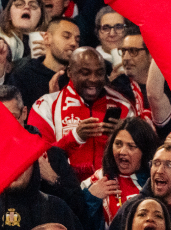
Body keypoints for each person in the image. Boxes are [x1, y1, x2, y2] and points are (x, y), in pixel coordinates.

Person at [30, 47, 150, 180]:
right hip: (63, 188)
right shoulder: (45, 106)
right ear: (69, 72)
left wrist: (121, 137)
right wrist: (74, 138)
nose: (93, 79)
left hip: (112, 187)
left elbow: (142, 156)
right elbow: (37, 158)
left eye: (99, 73)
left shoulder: (124, 106)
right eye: (85, 73)